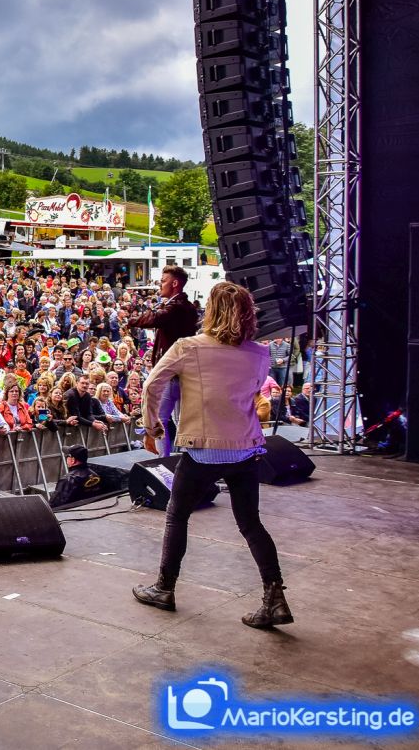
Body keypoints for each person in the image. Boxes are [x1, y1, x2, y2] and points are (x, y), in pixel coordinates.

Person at [132, 282, 292, 629]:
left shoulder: (189, 347)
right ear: (248, 314)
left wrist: (152, 426)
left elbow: (151, 384)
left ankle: (164, 588)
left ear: (211, 312)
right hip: (246, 448)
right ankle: (275, 597)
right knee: (251, 523)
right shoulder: (260, 354)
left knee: (177, 516)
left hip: (204, 449)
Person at [129, 266, 197, 455]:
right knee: (180, 418)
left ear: (175, 284)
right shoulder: (187, 307)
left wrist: (131, 319)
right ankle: (186, 460)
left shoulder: (176, 307)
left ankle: (165, 462)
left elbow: (154, 319)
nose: (160, 284)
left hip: (171, 372)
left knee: (160, 418)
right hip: (183, 371)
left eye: (163, 280)